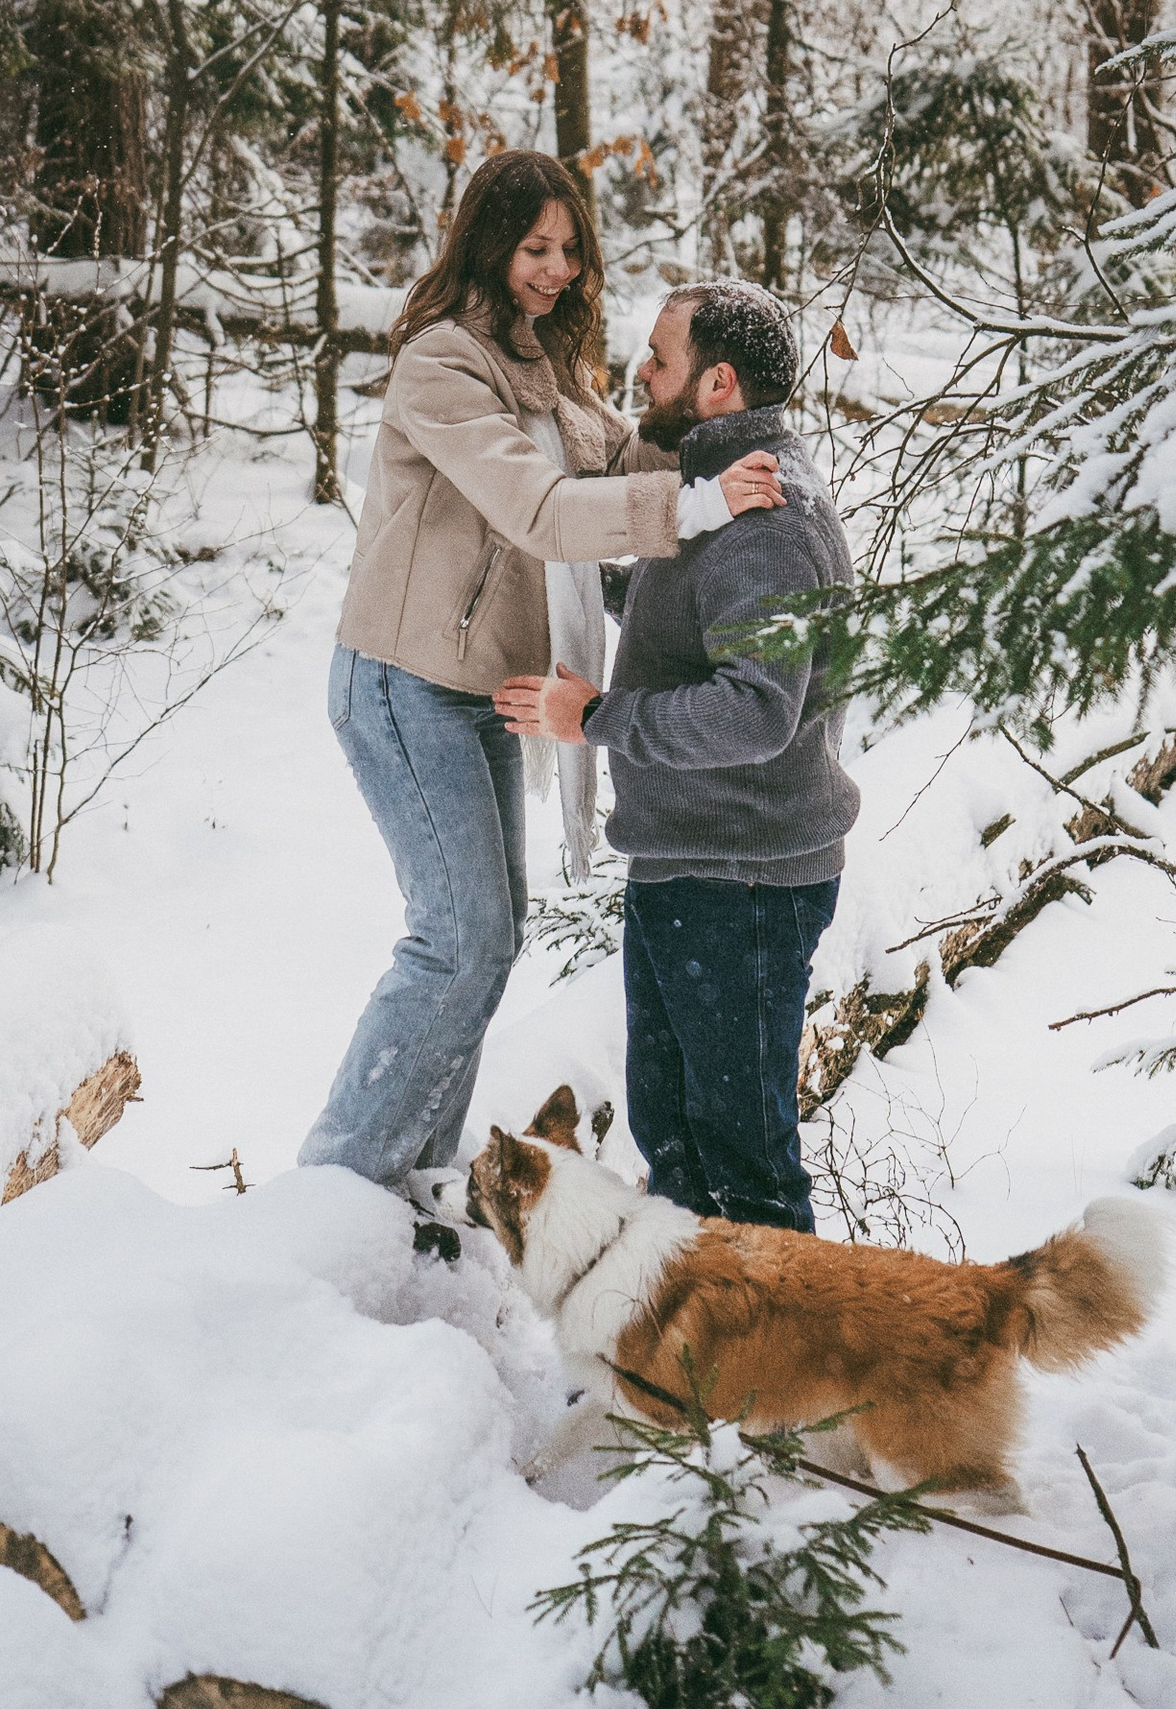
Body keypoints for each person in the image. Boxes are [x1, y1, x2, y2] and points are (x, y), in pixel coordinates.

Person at [299, 154, 782, 1214]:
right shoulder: (441, 363)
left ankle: (414, 1186)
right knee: (457, 940)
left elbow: (621, 465)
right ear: (489, 243)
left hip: (477, 687)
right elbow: (543, 510)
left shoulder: (540, 363)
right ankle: (336, 1190)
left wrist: (737, 446)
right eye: (535, 248)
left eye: (569, 249)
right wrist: (696, 507)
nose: (557, 269)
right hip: (401, 681)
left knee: (485, 942)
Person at [498, 277, 855, 1236]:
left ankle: (783, 1335)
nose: (641, 373)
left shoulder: (767, 524)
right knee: (677, 1139)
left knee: (743, 1162)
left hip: (744, 883)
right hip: (694, 868)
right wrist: (596, 583)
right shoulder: (720, 494)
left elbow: (755, 713)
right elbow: (697, 616)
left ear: (718, 383)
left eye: (660, 360)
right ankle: (700, 1334)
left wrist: (596, 717)